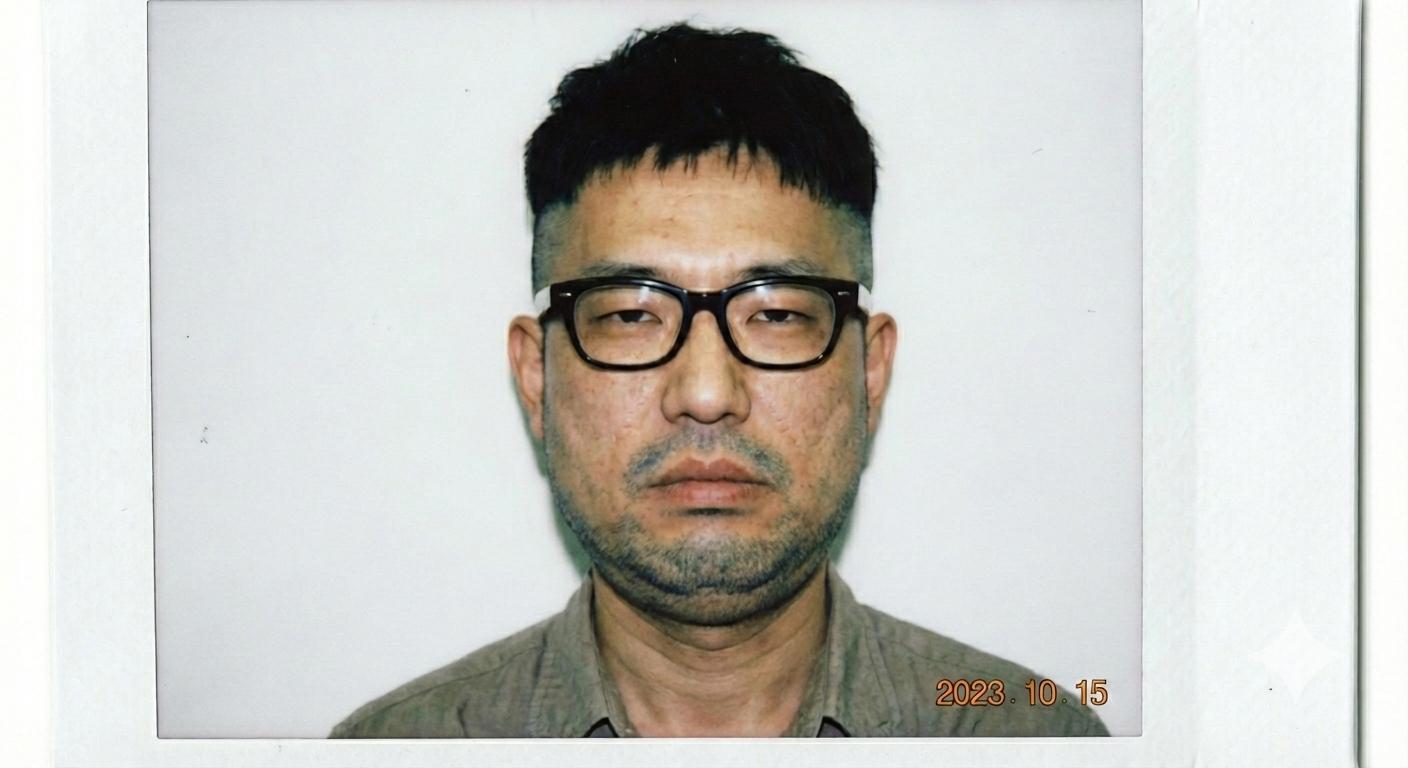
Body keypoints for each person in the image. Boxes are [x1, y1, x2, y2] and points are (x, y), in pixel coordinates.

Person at [331, 22, 1107, 739]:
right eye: (631, 315)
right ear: (537, 377)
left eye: (776, 314)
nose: (706, 394)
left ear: (871, 371)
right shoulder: (399, 746)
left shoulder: (1030, 735)